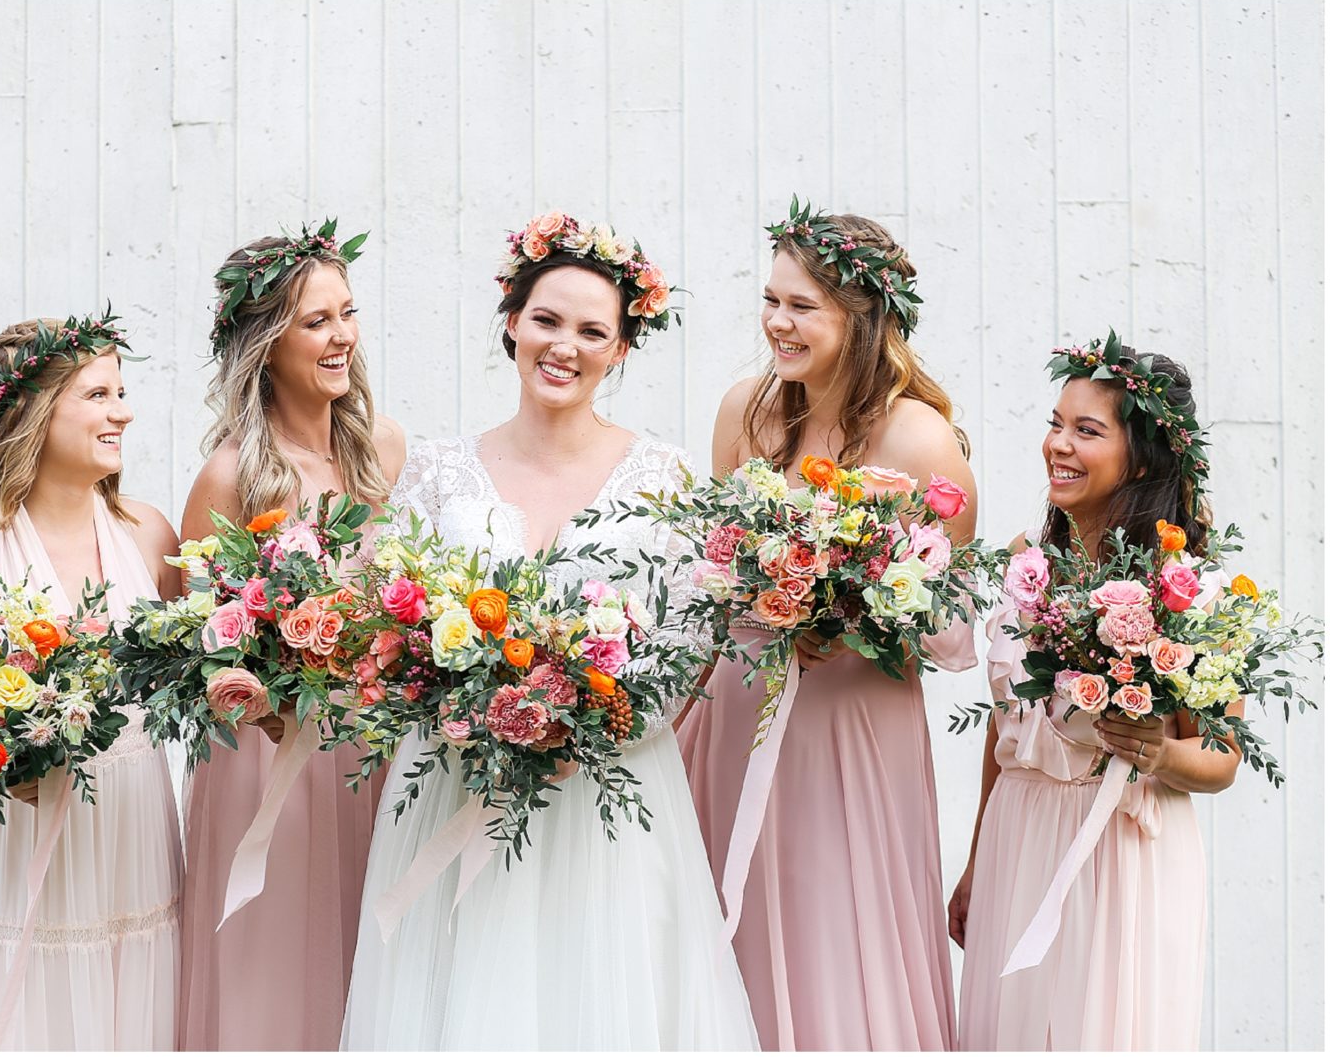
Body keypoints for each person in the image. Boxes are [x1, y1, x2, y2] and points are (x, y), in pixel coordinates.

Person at [339, 211, 759, 1049]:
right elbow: (389, 622)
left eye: (592, 329)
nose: (564, 345)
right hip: (458, 778)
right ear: (512, 322)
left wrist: (585, 719)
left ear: (622, 350)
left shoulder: (663, 476)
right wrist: (468, 701)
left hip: (606, 792)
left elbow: (685, 642)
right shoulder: (435, 469)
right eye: (547, 319)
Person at [678, 202, 975, 1050]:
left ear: (863, 314)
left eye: (802, 306)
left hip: (849, 725)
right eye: (771, 299)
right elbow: (716, 568)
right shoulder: (746, 412)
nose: (777, 322)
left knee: (836, 919)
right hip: (741, 709)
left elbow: (950, 621)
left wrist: (850, 617)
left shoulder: (920, 440)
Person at [0, 312, 183, 1049]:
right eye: (97, 394)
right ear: (34, 411)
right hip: (15, 848)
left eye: (121, 391)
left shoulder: (149, 535)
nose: (122, 409)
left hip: (131, 837)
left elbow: (195, 674)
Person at [951, 343, 1232, 1050]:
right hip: (1019, 835)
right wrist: (977, 860)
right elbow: (1003, 728)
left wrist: (1158, 750)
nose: (1058, 445)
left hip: (1119, 850)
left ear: (1140, 458)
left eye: (1087, 429)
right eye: (1056, 422)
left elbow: (1221, 756)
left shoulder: (1189, 585)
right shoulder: (1027, 557)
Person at [176, 223, 406, 1051]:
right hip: (264, 755)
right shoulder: (230, 476)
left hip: (368, 747)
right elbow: (195, 649)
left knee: (366, 968)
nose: (342, 335)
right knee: (270, 979)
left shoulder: (383, 450)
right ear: (267, 343)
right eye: (317, 321)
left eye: (347, 312)